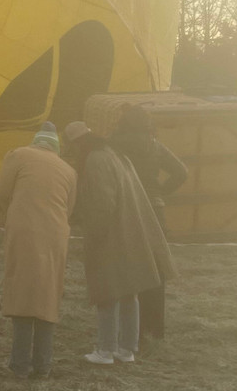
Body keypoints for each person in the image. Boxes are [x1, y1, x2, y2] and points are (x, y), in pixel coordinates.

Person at [63, 121, 175, 366]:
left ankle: (105, 350)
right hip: (132, 232)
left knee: (106, 291)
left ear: (77, 143)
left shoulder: (95, 160)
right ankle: (127, 349)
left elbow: (103, 202)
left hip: (112, 235)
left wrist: (95, 233)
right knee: (129, 291)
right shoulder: (115, 154)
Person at [0, 121, 77, 380]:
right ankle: (43, 366)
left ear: (36, 141)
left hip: (24, 232)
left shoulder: (18, 155)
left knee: (22, 294)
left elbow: (2, 191)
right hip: (56, 235)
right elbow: (70, 208)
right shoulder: (69, 170)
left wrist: (17, 209)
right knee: (47, 296)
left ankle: (19, 365)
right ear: (56, 147)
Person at [110, 105, 188, 340]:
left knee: (128, 267)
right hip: (154, 210)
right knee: (156, 270)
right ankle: (154, 328)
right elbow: (181, 172)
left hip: (127, 209)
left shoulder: (115, 145)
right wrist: (160, 193)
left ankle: (130, 329)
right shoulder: (155, 146)